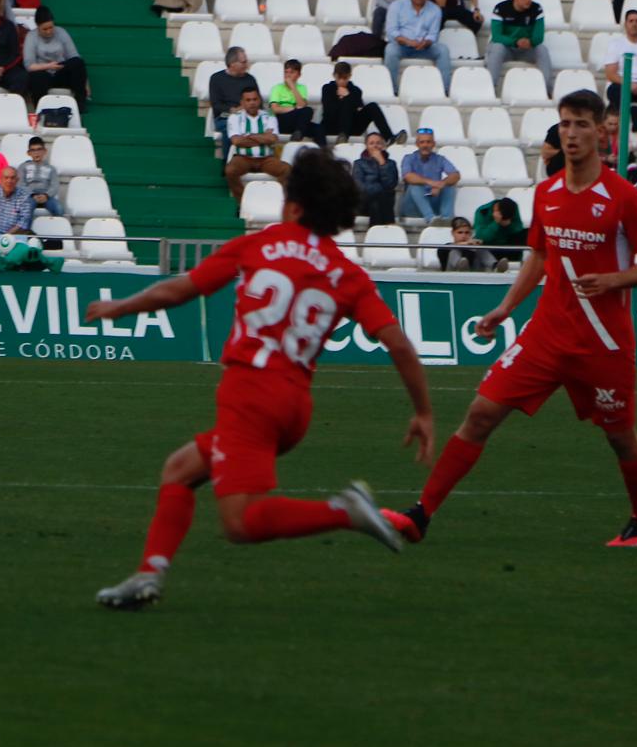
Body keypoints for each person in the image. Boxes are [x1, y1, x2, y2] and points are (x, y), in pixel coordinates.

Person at [89, 149, 434, 609]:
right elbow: (399, 344)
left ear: (292, 205)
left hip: (250, 392)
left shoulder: (261, 245)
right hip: (294, 405)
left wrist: (121, 306)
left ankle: (343, 512)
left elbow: (181, 288)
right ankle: (149, 573)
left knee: (240, 522)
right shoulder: (348, 274)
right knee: (180, 470)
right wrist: (424, 412)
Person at [385, 89, 637, 549]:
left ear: (602, 131)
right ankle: (421, 515)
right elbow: (538, 255)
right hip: (547, 335)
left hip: (603, 343)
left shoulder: (623, 198)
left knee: (622, 440)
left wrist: (614, 280)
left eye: (580, 124)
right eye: (565, 124)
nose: (570, 133)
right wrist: (505, 308)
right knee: (480, 414)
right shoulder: (547, 193)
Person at [383, 0, 451, 92]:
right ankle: (392, 90)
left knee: (443, 50)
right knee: (390, 50)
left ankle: (444, 90)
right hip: (402, 46)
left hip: (424, 47)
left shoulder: (435, 10)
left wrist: (426, 42)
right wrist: (408, 42)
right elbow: (392, 31)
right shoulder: (396, 6)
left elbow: (433, 35)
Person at [222, 86, 289, 201]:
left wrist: (249, 136)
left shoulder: (269, 116)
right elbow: (236, 141)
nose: (252, 103)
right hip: (243, 158)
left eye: (255, 99)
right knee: (230, 170)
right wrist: (263, 136)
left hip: (266, 158)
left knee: (287, 170)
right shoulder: (234, 117)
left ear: (259, 100)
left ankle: (279, 201)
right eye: (248, 100)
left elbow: (272, 139)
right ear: (242, 102)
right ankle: (242, 202)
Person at [22, 7, 89, 111]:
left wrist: (86, 82)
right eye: (45, 29)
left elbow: (74, 56)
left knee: (78, 63)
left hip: (60, 72)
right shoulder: (31, 37)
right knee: (36, 77)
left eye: (51, 27)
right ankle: (40, 108)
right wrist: (48, 66)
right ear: (38, 26)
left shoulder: (61, 33)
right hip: (43, 73)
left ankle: (80, 103)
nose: (49, 31)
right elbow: (29, 65)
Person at [484, 0, 550, 84]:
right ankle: (490, 86)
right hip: (507, 49)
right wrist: (515, 42)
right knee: (497, 47)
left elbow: (539, 36)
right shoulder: (501, 8)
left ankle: (546, 88)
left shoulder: (536, 9)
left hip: (527, 49)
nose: (528, 0)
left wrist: (530, 42)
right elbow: (497, 36)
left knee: (542, 49)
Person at [320, 62, 397, 145]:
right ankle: (343, 135)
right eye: (339, 77)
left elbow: (359, 108)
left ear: (349, 76)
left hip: (351, 127)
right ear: (334, 75)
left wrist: (347, 96)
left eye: (345, 77)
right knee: (346, 103)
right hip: (331, 125)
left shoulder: (356, 90)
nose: (342, 80)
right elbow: (329, 110)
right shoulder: (327, 89)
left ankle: (389, 137)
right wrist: (345, 100)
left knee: (372, 106)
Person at [398, 127, 459, 223]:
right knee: (414, 185)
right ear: (417, 144)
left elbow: (456, 175)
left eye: (428, 142)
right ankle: (431, 219)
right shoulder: (408, 158)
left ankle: (447, 220)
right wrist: (432, 183)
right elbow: (408, 176)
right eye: (422, 142)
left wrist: (442, 184)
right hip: (413, 206)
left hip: (432, 200)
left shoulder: (440, 159)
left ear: (433, 144)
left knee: (449, 187)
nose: (425, 145)